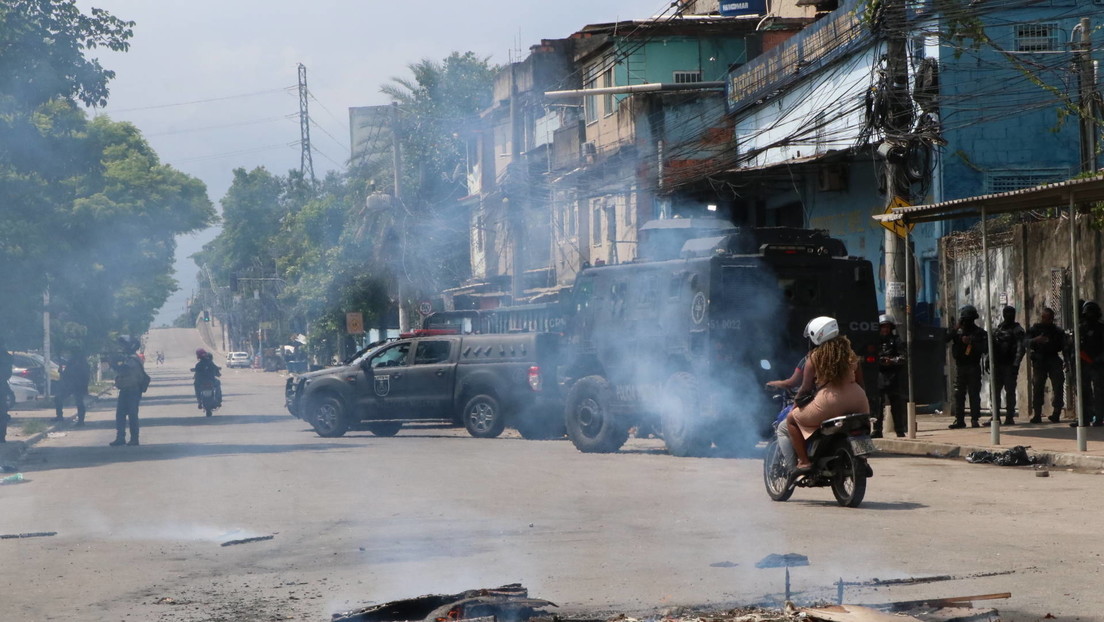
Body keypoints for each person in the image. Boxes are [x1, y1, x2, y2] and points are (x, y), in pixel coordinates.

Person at [785, 317, 870, 473]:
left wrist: (795, 406)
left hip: (829, 403)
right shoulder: (851, 355)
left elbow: (805, 388)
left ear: (816, 336)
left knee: (791, 420)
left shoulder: (814, 358)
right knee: (860, 425)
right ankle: (862, 460)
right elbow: (861, 383)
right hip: (859, 399)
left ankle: (804, 462)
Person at [946, 304, 988, 429]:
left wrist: (971, 342)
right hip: (961, 367)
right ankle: (959, 420)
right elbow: (945, 338)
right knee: (959, 394)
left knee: (974, 393)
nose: (966, 322)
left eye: (967, 319)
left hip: (973, 366)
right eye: (964, 319)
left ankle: (975, 419)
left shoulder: (979, 333)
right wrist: (956, 328)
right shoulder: (958, 332)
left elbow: (985, 349)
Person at [988, 306, 1025, 426]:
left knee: (1009, 392)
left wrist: (1016, 364)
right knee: (995, 392)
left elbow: (1021, 348)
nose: (1009, 316)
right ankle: (996, 416)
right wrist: (989, 359)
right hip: (998, 364)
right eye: (1007, 313)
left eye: (1011, 313)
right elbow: (992, 345)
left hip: (1009, 365)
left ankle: (1009, 416)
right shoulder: (999, 329)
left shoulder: (1017, 329)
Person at [1026, 307, 1065, 423]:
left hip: (1053, 359)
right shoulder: (1034, 329)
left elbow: (1064, 346)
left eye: (1048, 318)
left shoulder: (1057, 331)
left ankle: (1056, 412)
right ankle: (1037, 413)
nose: (1046, 320)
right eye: (1044, 318)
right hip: (1040, 360)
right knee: (1038, 387)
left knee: (1058, 386)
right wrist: (1036, 340)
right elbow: (1025, 342)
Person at [109, 335, 149, 446]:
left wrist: (114, 364)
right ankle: (120, 437)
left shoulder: (133, 358)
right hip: (125, 390)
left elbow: (125, 369)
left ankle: (134, 439)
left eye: (124, 345)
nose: (122, 348)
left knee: (132, 415)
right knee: (120, 415)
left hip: (132, 391)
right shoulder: (130, 358)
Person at [873, 315, 906, 438]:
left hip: (893, 376)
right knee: (877, 404)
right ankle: (877, 429)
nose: (885, 330)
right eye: (883, 327)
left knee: (896, 404)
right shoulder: (875, 341)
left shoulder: (896, 340)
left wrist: (891, 361)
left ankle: (900, 429)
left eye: (887, 327)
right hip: (880, 375)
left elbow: (903, 357)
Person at [1073, 301, 1104, 427]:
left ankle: (1099, 418)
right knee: (1082, 392)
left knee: (1099, 392)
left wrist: (1098, 360)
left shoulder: (1101, 329)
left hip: (1098, 364)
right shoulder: (1080, 329)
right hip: (1084, 364)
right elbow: (1075, 347)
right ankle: (1084, 418)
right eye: (1088, 313)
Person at [55, 348, 90, 425]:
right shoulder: (80, 363)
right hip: (74, 385)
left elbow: (70, 373)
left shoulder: (77, 363)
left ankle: (79, 421)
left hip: (74, 385)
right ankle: (79, 420)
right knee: (78, 402)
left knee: (78, 402)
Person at [0, 339, 12, 443]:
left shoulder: (6, 356)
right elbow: (8, 374)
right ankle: (2, 436)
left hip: (2, 386)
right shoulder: (6, 356)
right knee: (2, 413)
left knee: (2, 413)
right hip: (2, 386)